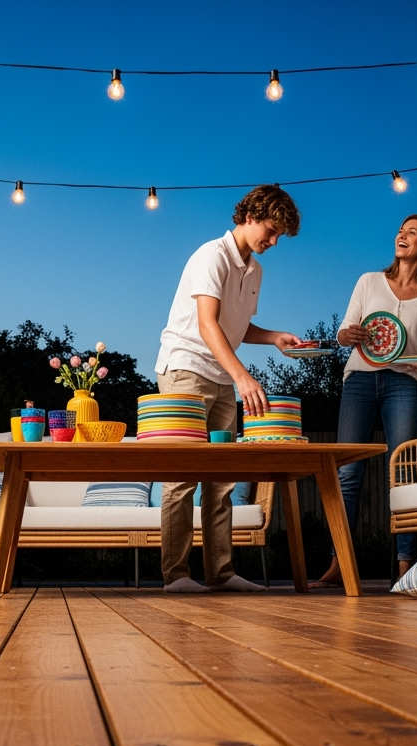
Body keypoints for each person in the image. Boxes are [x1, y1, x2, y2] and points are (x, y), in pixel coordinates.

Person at [154, 184, 303, 593]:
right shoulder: (210, 256)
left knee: (221, 480)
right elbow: (207, 324)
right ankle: (177, 576)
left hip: (221, 374)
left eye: (278, 237)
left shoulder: (254, 270)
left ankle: (220, 573)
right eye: (270, 231)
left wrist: (274, 337)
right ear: (250, 215)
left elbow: (238, 326)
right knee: (182, 477)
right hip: (185, 369)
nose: (272, 242)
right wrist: (243, 377)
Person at [311, 214, 417, 589]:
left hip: (405, 385)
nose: (402, 235)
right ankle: (339, 564)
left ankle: (405, 566)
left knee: (403, 472)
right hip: (359, 380)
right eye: (401, 230)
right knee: (346, 474)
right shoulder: (369, 281)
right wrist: (348, 334)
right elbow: (342, 332)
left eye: (412, 232)